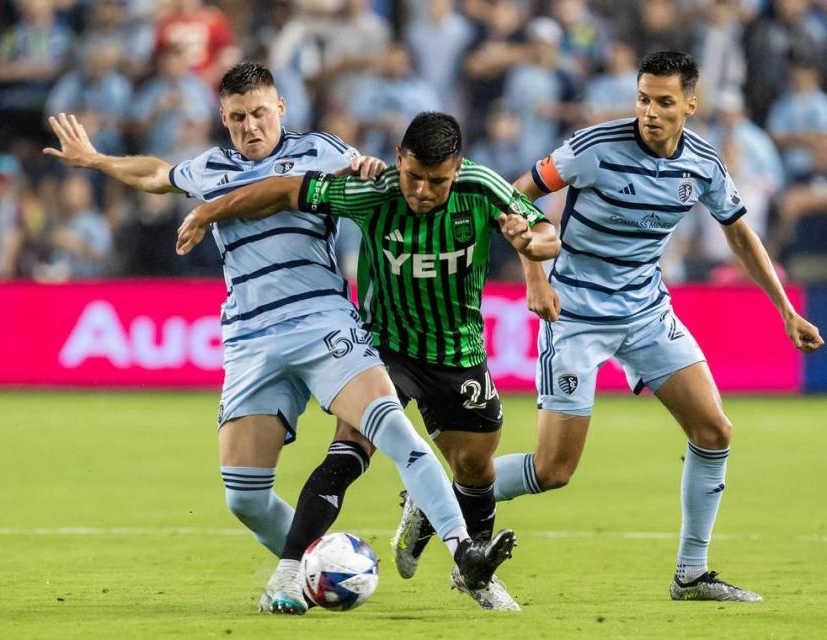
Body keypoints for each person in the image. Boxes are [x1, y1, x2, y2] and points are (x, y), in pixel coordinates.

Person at [43, 62, 515, 616]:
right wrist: (96, 160)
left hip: (325, 324)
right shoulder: (209, 169)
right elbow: (155, 173)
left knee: (395, 432)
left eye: (260, 112)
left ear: (281, 108)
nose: (251, 125)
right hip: (250, 339)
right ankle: (318, 567)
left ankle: (463, 555)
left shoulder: (322, 151)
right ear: (223, 118)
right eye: (238, 116)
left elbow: (379, 175)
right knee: (243, 497)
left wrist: (363, 164)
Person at [407, 51, 825, 602]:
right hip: (575, 315)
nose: (650, 112)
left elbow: (740, 234)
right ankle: (437, 499)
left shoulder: (702, 166)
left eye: (664, 102)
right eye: (643, 99)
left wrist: (785, 310)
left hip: (647, 313)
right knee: (555, 470)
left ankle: (691, 575)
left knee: (715, 430)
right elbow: (513, 197)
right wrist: (536, 276)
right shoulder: (590, 149)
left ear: (690, 105)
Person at [176, 111, 560, 611]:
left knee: (475, 468)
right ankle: (289, 572)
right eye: (413, 177)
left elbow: (545, 231)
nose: (422, 191)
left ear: (458, 168)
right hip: (385, 346)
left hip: (456, 351)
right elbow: (282, 190)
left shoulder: (482, 188)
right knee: (349, 449)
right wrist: (209, 212)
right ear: (397, 159)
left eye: (437, 182)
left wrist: (532, 249)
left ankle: (471, 572)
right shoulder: (370, 192)